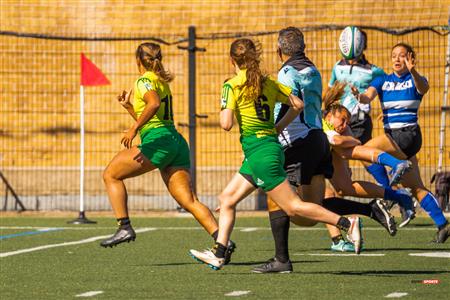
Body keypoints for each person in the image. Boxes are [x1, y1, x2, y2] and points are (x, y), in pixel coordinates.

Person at [189, 38, 362, 271]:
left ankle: (346, 222)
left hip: (261, 153)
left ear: (232, 60)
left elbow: (226, 124)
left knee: (292, 207)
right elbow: (298, 104)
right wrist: (278, 127)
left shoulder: (232, 85)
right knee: (227, 199)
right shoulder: (268, 82)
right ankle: (220, 253)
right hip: (267, 148)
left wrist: (226, 105)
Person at [251, 27, 392, 273]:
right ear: (302, 48)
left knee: (277, 197)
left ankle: (282, 259)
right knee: (315, 205)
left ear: (279, 50)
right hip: (318, 141)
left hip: (297, 143)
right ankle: (369, 209)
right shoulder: (313, 70)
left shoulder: (287, 72)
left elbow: (288, 107)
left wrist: (270, 132)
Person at [100, 43, 236, 263]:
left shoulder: (144, 80)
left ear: (138, 60)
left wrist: (133, 129)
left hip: (160, 141)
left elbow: (152, 105)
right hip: (175, 142)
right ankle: (223, 241)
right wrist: (129, 108)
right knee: (189, 200)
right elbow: (154, 118)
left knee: (111, 175)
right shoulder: (160, 81)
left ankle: (124, 227)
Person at [354, 42, 450, 243]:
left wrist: (413, 70)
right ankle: (442, 224)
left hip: (408, 135)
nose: (397, 59)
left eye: (402, 56)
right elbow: (367, 97)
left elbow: (423, 87)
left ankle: (388, 188)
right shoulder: (382, 81)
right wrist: (359, 96)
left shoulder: (415, 79)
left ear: (411, 58)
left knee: (363, 151)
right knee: (417, 187)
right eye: (394, 56)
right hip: (399, 141)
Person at [328, 26, 384, 145]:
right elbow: (329, 91)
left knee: (360, 151)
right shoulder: (338, 67)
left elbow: (390, 87)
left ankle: (387, 162)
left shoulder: (373, 71)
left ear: (363, 45)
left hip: (360, 118)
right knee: (338, 154)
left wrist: (387, 109)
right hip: (340, 118)